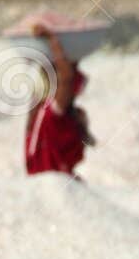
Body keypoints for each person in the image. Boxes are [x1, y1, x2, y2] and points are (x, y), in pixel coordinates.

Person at [25, 25, 92, 177]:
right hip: (51, 185)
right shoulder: (45, 114)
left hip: (52, 185)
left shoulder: (53, 113)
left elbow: (67, 78)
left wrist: (53, 41)